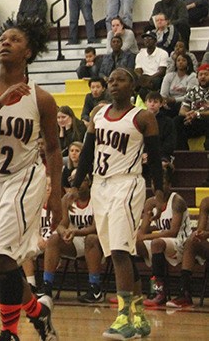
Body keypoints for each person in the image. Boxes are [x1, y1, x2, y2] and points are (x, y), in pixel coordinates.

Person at [0, 18, 62, 341]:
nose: (5, 42)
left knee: (4, 255)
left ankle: (10, 333)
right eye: (2, 38)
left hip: (24, 178)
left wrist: (56, 194)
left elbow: (55, 148)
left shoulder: (41, 99)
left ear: (28, 51)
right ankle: (38, 312)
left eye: (14, 39)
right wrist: (1, 102)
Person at [69, 68, 164, 339]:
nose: (113, 84)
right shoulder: (98, 113)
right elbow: (87, 152)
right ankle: (139, 316)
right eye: (110, 80)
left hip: (127, 184)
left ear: (132, 87)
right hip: (100, 185)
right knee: (115, 250)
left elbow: (155, 159)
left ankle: (123, 317)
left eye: (119, 80)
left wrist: (157, 193)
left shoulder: (142, 117)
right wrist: (75, 187)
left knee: (121, 250)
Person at [40, 174, 103, 303]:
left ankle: (95, 289)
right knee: (54, 239)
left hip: (97, 241)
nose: (78, 184)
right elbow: (60, 224)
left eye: (82, 181)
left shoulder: (96, 199)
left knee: (91, 238)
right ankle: (47, 286)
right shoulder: (67, 199)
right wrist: (64, 233)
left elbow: (96, 228)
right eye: (74, 181)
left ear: (89, 183)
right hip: (77, 240)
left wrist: (75, 232)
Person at [136, 165, 191, 306]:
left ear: (170, 185)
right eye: (154, 183)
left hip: (181, 243)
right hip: (162, 244)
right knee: (133, 244)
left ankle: (159, 292)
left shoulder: (176, 200)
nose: (157, 187)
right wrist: (142, 235)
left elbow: (173, 232)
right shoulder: (150, 202)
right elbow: (142, 232)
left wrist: (146, 237)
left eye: (162, 184)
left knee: (156, 243)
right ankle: (133, 291)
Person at [166, 196, 209, 308]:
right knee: (191, 242)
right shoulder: (206, 202)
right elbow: (201, 230)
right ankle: (185, 293)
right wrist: (198, 234)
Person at [173, 63, 209, 151]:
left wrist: (197, 114)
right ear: (197, 77)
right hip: (194, 121)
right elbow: (183, 109)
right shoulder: (192, 91)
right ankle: (182, 153)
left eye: (206, 74)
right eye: (200, 74)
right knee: (177, 121)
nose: (203, 77)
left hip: (206, 120)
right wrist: (187, 114)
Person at [145, 92, 176, 170]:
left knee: (162, 165)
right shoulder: (140, 120)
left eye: (155, 102)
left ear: (161, 104)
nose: (152, 104)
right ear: (145, 103)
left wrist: (158, 155)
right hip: (143, 154)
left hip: (162, 155)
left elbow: (169, 142)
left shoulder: (168, 122)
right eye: (150, 101)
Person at [160, 53, 198, 118]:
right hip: (169, 101)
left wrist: (175, 100)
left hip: (185, 102)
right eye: (178, 60)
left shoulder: (192, 76)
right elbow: (163, 94)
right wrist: (164, 101)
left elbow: (190, 96)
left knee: (178, 106)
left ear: (188, 63)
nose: (180, 62)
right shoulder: (169, 76)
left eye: (183, 60)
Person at [134, 31, 169, 98]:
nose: (147, 40)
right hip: (144, 78)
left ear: (155, 41)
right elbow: (138, 70)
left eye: (150, 38)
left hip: (156, 78)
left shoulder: (163, 53)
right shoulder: (139, 55)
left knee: (155, 82)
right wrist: (142, 79)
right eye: (145, 39)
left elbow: (162, 71)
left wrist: (149, 79)